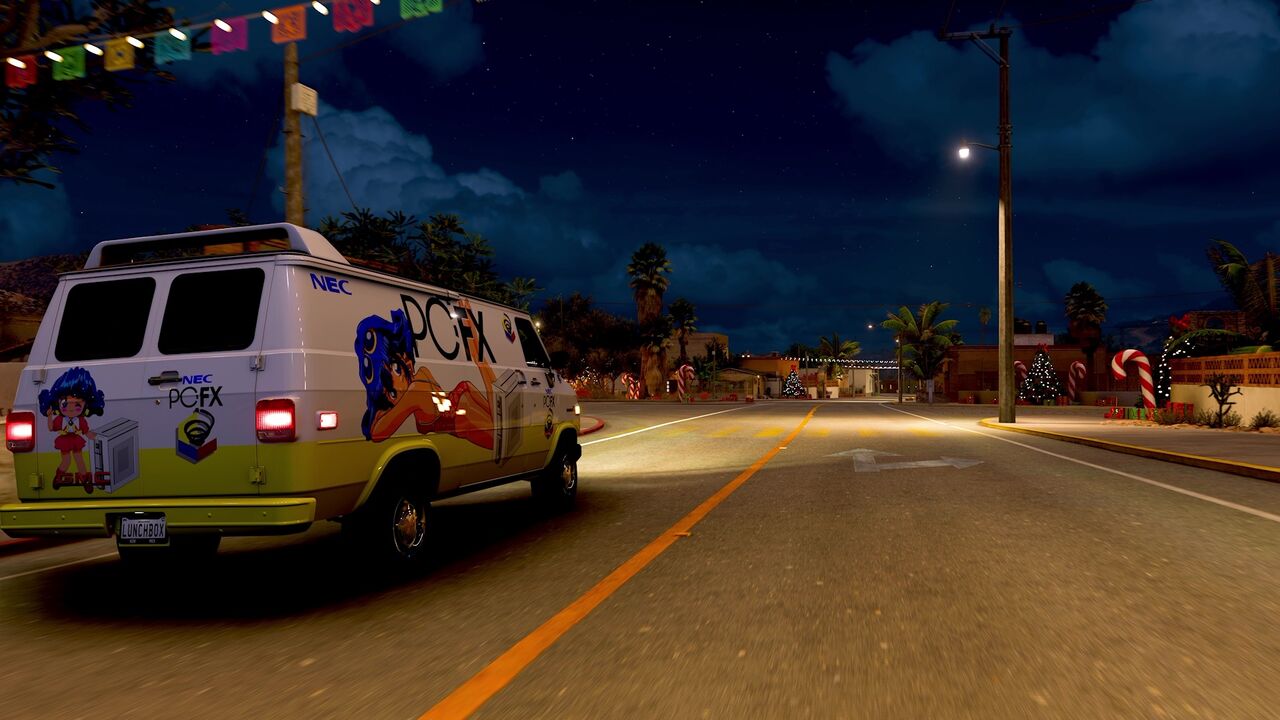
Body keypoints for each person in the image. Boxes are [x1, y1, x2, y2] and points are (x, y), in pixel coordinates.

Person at [355, 304, 496, 448]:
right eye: (391, 392)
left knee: (500, 426)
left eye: (396, 368)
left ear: (406, 361)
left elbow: (377, 432)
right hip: (463, 410)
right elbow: (376, 432)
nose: (397, 384)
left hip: (461, 403)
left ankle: (479, 358)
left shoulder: (414, 388)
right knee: (500, 426)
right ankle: (479, 358)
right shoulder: (414, 389)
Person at [37, 367, 105, 490]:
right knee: (66, 461)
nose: (71, 408)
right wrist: (49, 416)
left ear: (86, 405)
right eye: (65, 404)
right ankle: (58, 477)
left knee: (79, 460)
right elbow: (51, 428)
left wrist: (95, 437)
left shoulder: (81, 420)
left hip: (76, 440)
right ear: (57, 402)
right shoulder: (59, 420)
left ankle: (85, 480)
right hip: (64, 440)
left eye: (77, 404)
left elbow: (86, 432)